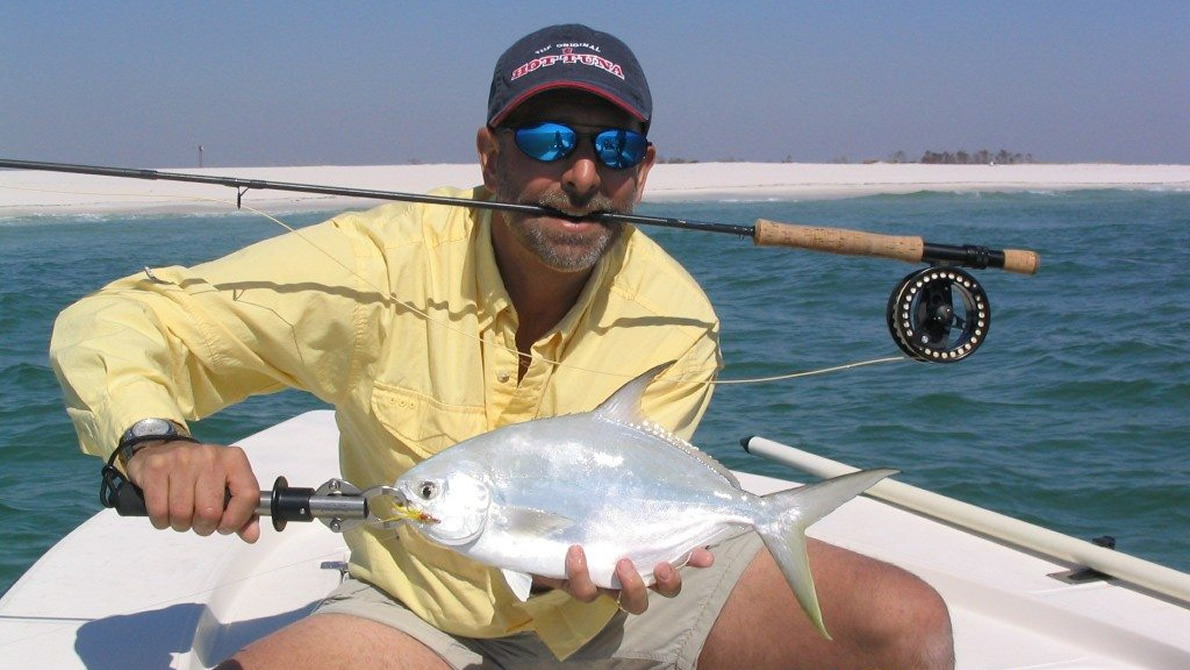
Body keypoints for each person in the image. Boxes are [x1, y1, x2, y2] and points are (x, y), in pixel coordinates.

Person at [50, 23, 953, 669]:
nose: (583, 175)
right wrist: (155, 438)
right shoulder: (376, 266)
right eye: (548, 140)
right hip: (419, 613)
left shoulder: (678, 321)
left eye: (614, 146)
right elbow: (121, 321)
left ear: (646, 167)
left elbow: (618, 515)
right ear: (490, 154)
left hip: (622, 610)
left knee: (904, 628)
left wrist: (629, 562)